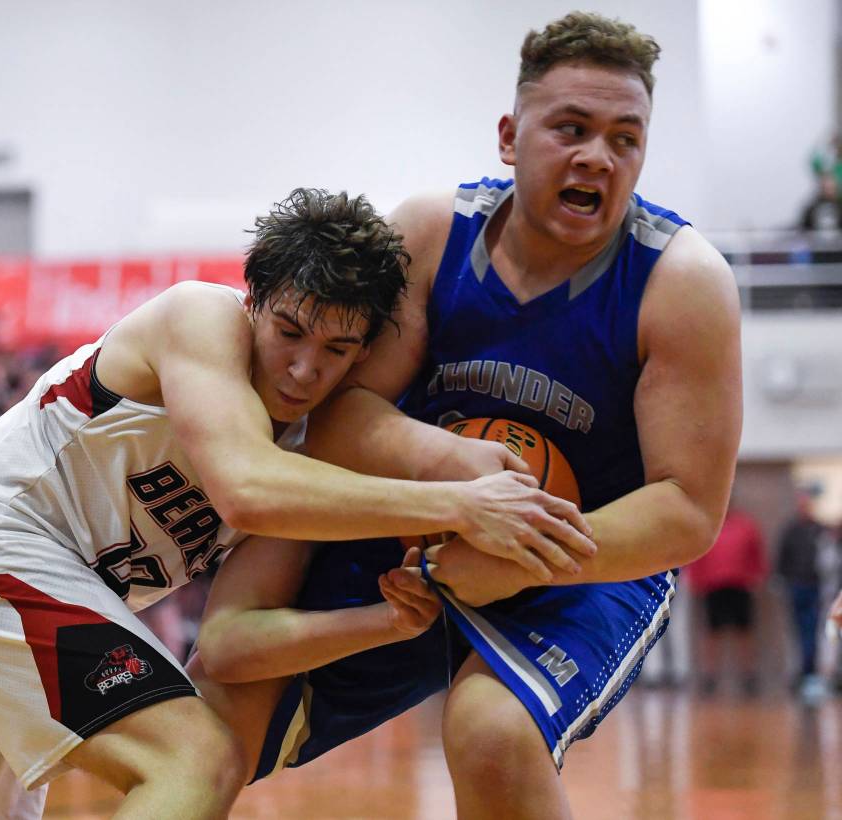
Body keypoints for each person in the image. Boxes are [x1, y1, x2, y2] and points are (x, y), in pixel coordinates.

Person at [0, 188, 593, 819]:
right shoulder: (200, 318)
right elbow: (247, 491)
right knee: (195, 760)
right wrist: (457, 503)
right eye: (290, 331)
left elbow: (225, 644)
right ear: (254, 302)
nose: (305, 368)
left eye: (338, 348)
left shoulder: (303, 465)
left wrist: (384, 621)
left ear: (363, 352)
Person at [190, 14, 742, 819]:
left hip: (587, 555)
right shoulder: (430, 233)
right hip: (414, 524)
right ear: (510, 138)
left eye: (626, 139)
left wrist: (526, 555)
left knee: (490, 731)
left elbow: (688, 510)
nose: (598, 156)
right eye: (572, 128)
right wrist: (457, 477)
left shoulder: (682, 282)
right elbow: (339, 415)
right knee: (209, 726)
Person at [684, 499, 768, 696]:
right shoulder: (709, 526)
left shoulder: (746, 525)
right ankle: (710, 676)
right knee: (712, 633)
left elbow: (757, 553)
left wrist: (757, 576)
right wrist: (696, 580)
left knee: (744, 631)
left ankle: (749, 675)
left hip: (740, 585)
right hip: (713, 587)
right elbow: (697, 556)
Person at [776, 486, 829, 702]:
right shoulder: (790, 530)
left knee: (812, 630)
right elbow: (781, 560)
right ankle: (799, 672)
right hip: (796, 587)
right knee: (796, 632)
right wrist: (784, 580)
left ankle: (811, 673)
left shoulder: (820, 530)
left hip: (815, 587)